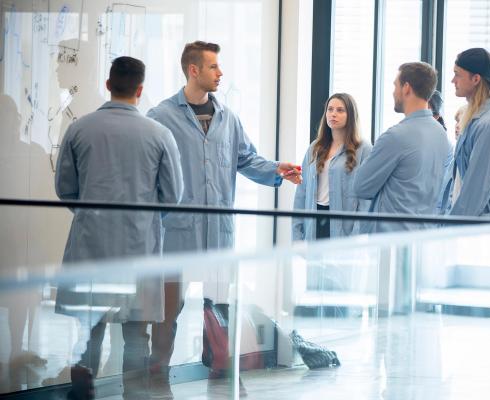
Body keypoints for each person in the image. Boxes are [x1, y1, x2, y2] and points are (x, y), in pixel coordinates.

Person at [146, 41, 301, 396]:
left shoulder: (228, 118)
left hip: (219, 233)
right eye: (214, 66)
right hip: (177, 234)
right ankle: (158, 375)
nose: (220, 73)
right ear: (193, 70)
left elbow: (246, 159)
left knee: (220, 308)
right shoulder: (161, 117)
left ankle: (223, 371)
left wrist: (278, 170)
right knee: (168, 310)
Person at [54, 56, 184, 399]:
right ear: (140, 89)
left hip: (90, 247)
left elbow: (65, 188)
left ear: (109, 85)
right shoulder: (159, 134)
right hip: (138, 250)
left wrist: (89, 216)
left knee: (87, 333)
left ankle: (82, 397)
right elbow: (173, 195)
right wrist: (144, 221)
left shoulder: (79, 129)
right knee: (136, 337)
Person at [353, 62, 452, 232]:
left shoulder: (395, 137)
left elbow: (361, 187)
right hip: (423, 235)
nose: (393, 92)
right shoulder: (442, 136)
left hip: (391, 241)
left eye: (395, 85)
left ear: (406, 88)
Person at [292, 93, 371, 241]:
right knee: (314, 264)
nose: (333, 114)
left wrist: (357, 234)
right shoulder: (315, 147)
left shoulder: (364, 149)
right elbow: (301, 192)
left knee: (339, 264)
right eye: (330, 109)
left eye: (340, 110)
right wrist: (296, 234)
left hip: (344, 227)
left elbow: (366, 199)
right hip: (314, 223)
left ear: (351, 115)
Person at [446, 47, 490, 217]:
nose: (453, 80)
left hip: (479, 229)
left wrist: (451, 227)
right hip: (470, 225)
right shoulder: (474, 119)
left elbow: (476, 191)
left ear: (475, 79)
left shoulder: (488, 125)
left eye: (457, 74)